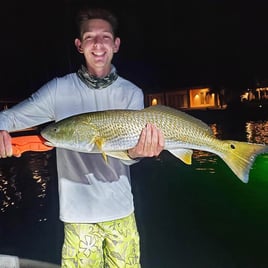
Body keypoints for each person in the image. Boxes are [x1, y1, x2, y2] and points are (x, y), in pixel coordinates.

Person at [0, 6, 164, 267]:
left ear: (116, 44)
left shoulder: (131, 93)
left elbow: (130, 155)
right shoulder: (58, 90)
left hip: (121, 211)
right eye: (89, 37)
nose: (98, 44)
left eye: (105, 37)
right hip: (78, 217)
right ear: (79, 45)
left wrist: (137, 153)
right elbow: (11, 118)